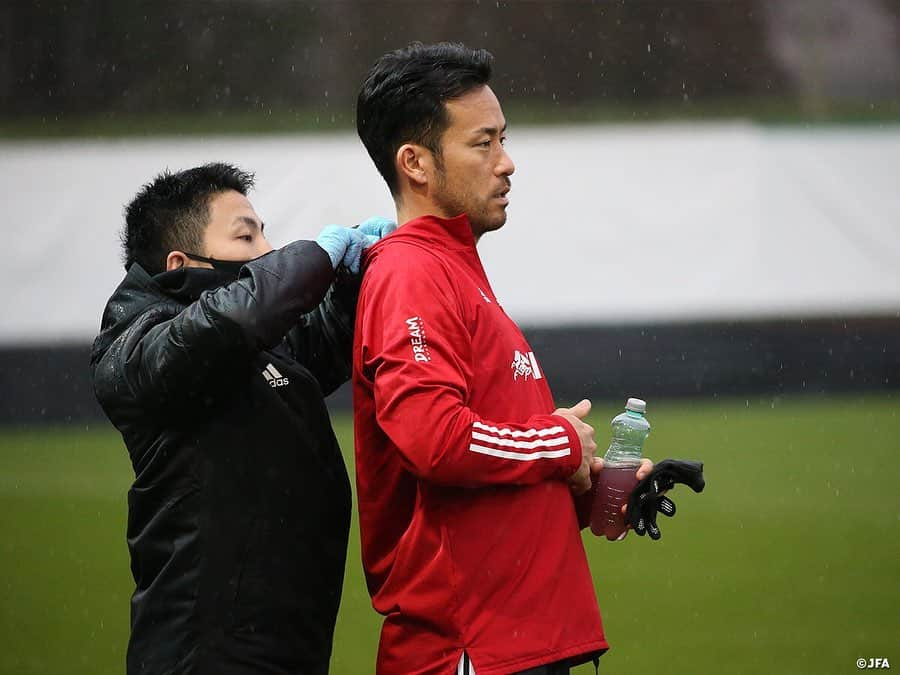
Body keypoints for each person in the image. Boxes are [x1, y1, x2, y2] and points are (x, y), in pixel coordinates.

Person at [352, 43, 652, 675]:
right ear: (416, 163)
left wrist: (588, 488)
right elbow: (435, 441)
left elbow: (486, 481)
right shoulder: (411, 271)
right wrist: (561, 446)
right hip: (471, 648)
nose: (507, 163)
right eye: (483, 143)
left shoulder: (455, 270)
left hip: (519, 639)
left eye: (503, 139)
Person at [90, 162, 394, 674]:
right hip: (204, 656)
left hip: (287, 646)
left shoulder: (252, 347)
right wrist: (312, 259)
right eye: (245, 236)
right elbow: (225, 323)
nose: (267, 252)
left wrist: (351, 283)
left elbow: (314, 341)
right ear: (183, 263)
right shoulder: (137, 348)